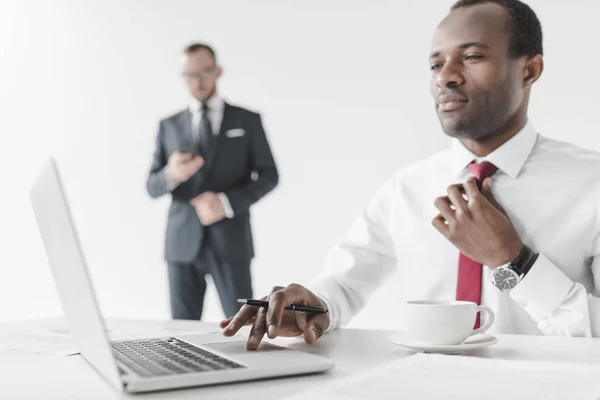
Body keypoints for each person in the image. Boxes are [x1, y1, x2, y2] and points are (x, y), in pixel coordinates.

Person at [220, 0, 600, 349]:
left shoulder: (591, 184)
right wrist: (315, 308)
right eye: (436, 64)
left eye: (471, 56)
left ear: (529, 70)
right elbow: (344, 284)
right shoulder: (407, 188)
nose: (446, 77)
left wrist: (513, 261)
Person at [147, 43, 279, 320]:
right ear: (182, 77)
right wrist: (171, 175)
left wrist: (225, 202)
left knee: (243, 325)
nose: (198, 81)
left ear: (218, 71)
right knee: (180, 335)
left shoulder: (248, 120)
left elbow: (270, 175)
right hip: (181, 245)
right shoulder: (168, 125)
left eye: (205, 71)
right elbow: (151, 186)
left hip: (231, 242)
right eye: (190, 74)